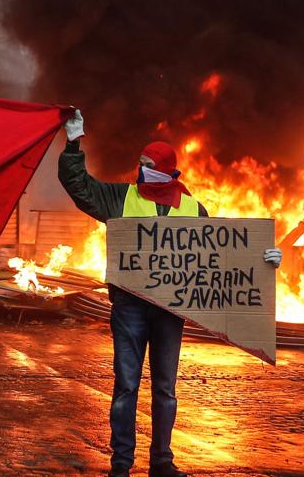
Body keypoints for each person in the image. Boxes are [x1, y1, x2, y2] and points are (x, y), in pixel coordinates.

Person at [57, 110, 282, 477]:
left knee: (165, 389)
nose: (141, 169)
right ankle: (121, 465)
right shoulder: (121, 197)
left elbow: (224, 255)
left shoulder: (193, 209)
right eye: (140, 163)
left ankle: (162, 462)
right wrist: (73, 143)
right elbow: (80, 186)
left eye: (148, 164)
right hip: (129, 305)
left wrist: (265, 259)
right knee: (126, 386)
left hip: (169, 310)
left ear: (166, 168)